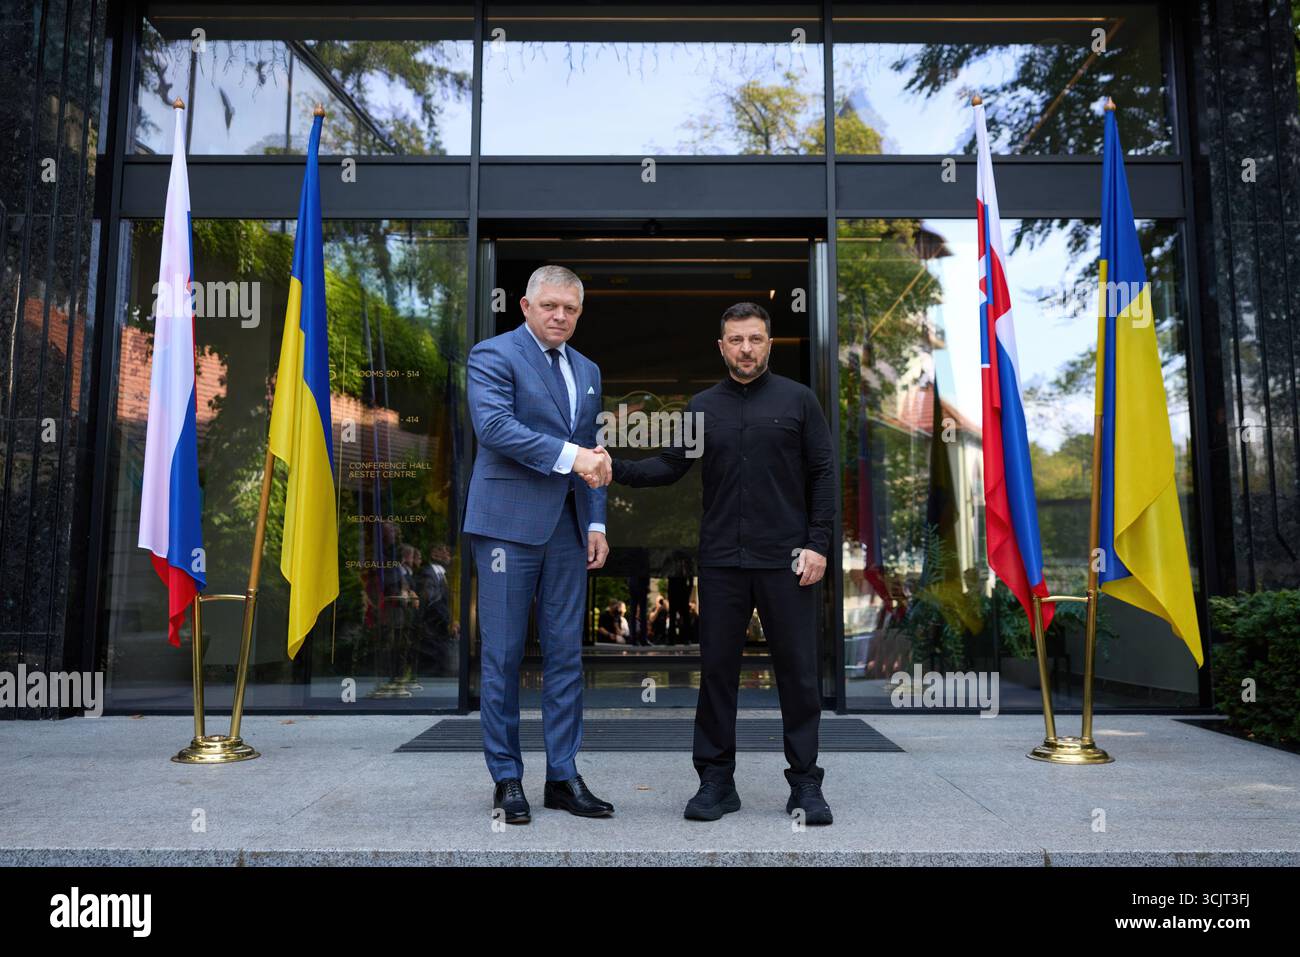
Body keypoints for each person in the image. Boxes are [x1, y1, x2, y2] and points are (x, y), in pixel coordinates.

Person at [607, 301, 837, 825]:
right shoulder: (701, 407)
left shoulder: (799, 401)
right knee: (716, 674)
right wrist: (610, 467)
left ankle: (805, 783)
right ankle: (716, 781)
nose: (746, 348)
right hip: (722, 563)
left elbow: (824, 475)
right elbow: (667, 467)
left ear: (769, 343)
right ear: (722, 346)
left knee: (799, 674)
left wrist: (819, 544)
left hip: (789, 560)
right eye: (736, 340)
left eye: (755, 338)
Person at [462, 264, 615, 824]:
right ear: (524, 305)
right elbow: (495, 428)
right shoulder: (493, 355)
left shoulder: (589, 369)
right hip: (507, 526)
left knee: (566, 658)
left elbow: (591, 450)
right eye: (550, 305)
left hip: (570, 531)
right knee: (502, 657)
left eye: (570, 309)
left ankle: (563, 776)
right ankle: (507, 779)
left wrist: (595, 523)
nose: (560, 316)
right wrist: (574, 457)